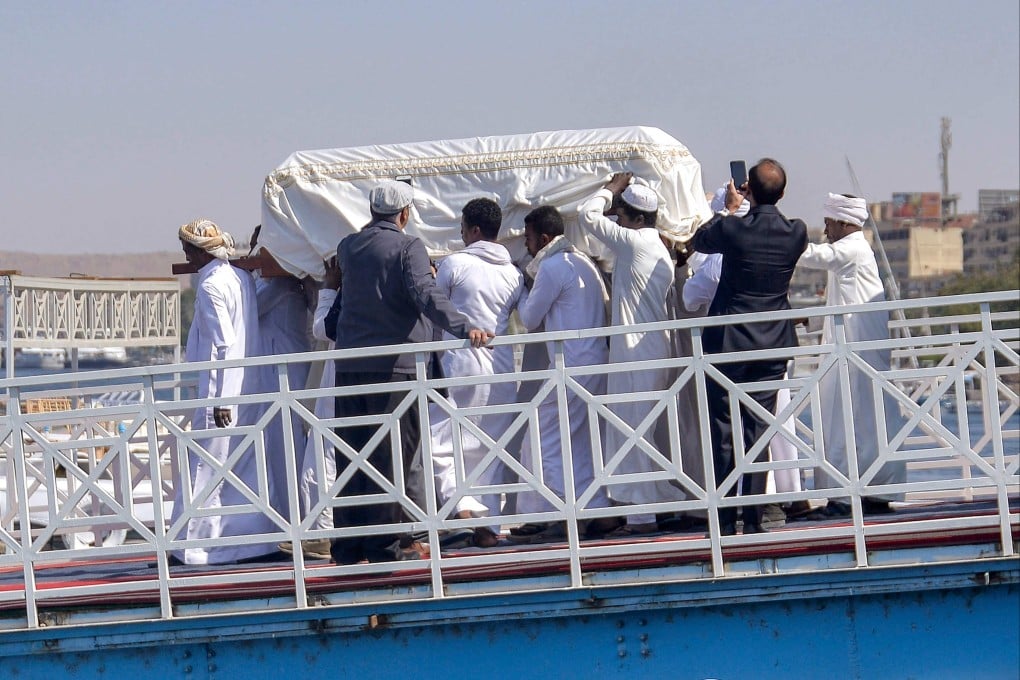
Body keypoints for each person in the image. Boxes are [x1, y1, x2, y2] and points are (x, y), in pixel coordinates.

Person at [323, 180, 493, 565]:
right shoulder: (408, 246)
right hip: (394, 370)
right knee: (390, 458)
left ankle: (348, 546)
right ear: (405, 214)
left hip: (350, 368)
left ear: (372, 211)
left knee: (353, 456)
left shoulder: (349, 247)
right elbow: (425, 293)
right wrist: (465, 327)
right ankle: (389, 547)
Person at [690, 159, 807, 535]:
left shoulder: (731, 227)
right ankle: (755, 517)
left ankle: (725, 518)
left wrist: (729, 207)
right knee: (759, 430)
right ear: (784, 194)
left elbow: (699, 240)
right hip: (773, 343)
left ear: (748, 190)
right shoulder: (798, 233)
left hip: (729, 342)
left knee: (724, 430)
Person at [577, 172, 681, 535]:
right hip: (649, 348)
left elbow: (586, 216)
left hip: (639, 352)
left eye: (621, 216)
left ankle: (642, 518)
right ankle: (652, 506)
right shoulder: (658, 247)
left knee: (632, 430)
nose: (616, 221)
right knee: (638, 430)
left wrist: (610, 189)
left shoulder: (636, 243)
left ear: (637, 219)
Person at [170, 219, 277, 565]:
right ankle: (252, 542)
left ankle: (197, 548)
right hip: (246, 387)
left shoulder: (212, 285)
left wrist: (218, 399)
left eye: (188, 248)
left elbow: (223, 344)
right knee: (243, 468)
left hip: (221, 394)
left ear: (199, 252)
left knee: (205, 468)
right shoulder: (240, 277)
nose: (185, 253)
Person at [510, 206, 615, 543]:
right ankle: (593, 507)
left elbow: (529, 318)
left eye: (527, 239)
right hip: (594, 361)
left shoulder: (553, 267)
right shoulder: (584, 262)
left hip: (572, 366)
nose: (525, 246)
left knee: (543, 437)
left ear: (543, 238)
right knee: (581, 441)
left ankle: (561, 511)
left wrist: (520, 286)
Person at [796, 193, 906, 515]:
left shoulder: (852, 248)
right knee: (862, 421)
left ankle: (845, 499)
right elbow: (843, 300)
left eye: (829, 223)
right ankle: (871, 491)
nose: (826, 229)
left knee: (848, 420)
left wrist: (780, 241)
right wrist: (810, 318)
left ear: (845, 223)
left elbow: (815, 256)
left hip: (855, 353)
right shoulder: (853, 251)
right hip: (854, 348)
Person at [430, 198, 527, 548]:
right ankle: (490, 524)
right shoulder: (514, 273)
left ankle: (462, 510)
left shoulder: (454, 264)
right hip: (500, 366)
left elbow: (432, 308)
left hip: (458, 362)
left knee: (440, 439)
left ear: (472, 230)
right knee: (492, 446)